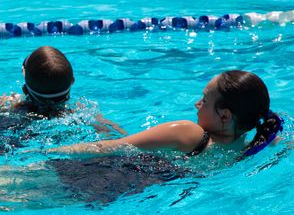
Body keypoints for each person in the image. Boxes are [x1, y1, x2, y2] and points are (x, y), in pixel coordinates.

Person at [50, 70, 283, 158]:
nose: (196, 104)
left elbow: (109, 148)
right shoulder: (254, 141)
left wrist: (48, 152)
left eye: (204, 100)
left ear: (224, 116)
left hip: (108, 175)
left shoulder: (188, 132)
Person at [0, 46, 125, 154]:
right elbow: (118, 137)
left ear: (25, 88)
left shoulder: (12, 109)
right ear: (72, 81)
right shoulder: (80, 111)